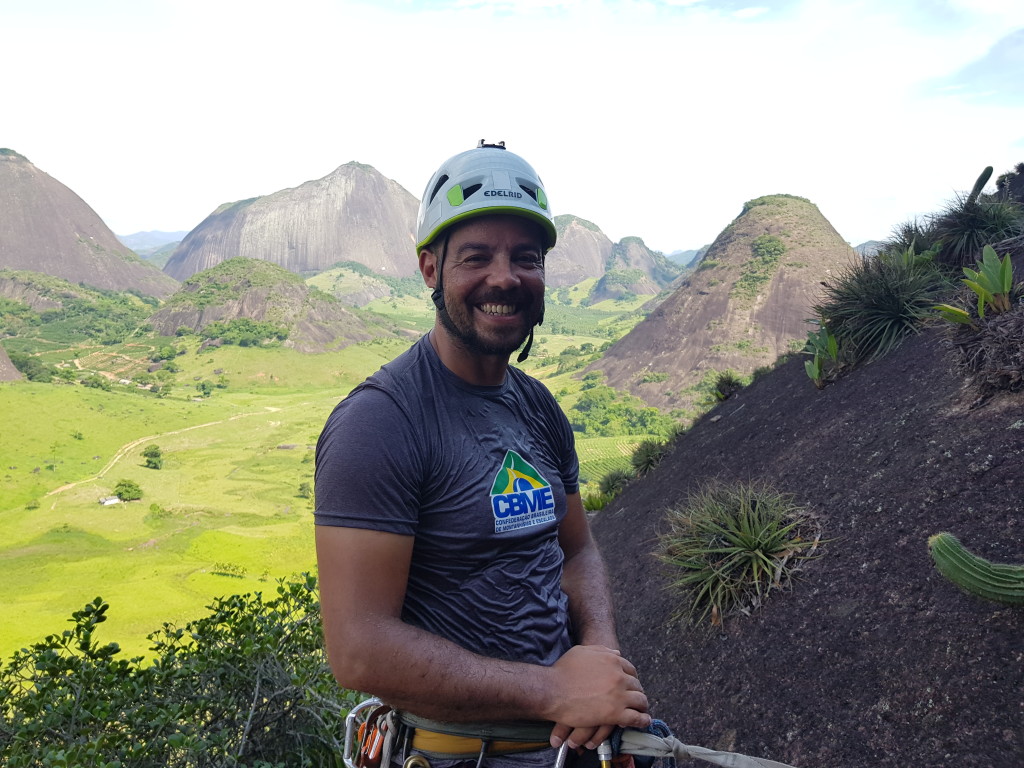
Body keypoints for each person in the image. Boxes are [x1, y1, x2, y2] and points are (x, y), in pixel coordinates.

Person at [314, 141, 650, 768]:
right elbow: (357, 648)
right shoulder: (380, 422)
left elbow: (576, 550)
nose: (505, 277)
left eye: (526, 258)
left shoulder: (538, 406)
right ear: (429, 269)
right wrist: (554, 690)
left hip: (571, 748)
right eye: (476, 256)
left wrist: (600, 670)